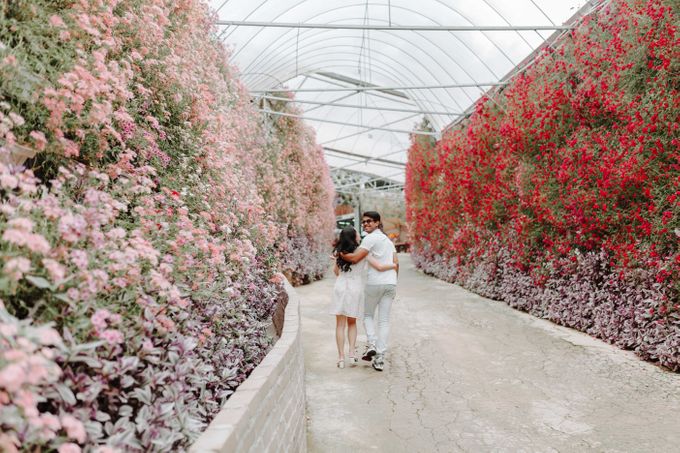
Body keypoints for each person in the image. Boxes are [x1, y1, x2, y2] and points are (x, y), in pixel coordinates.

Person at [331, 226, 397, 369]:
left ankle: (341, 358)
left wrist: (339, 266)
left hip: (340, 286)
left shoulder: (339, 252)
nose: (360, 237)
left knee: (340, 325)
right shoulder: (362, 253)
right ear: (354, 237)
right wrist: (393, 265)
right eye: (357, 234)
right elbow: (379, 267)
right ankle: (352, 355)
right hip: (355, 288)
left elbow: (336, 272)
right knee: (352, 323)